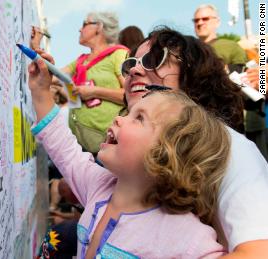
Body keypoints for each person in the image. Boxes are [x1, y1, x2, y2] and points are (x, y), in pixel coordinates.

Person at [29, 56, 229, 259]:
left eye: (139, 118)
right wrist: (40, 92)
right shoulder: (98, 186)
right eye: (128, 113)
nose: (118, 118)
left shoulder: (189, 239)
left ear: (167, 152)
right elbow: (65, 150)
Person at [122, 27, 268, 257]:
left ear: (192, 72)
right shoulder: (129, 149)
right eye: (129, 65)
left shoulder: (229, 149)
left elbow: (258, 253)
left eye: (152, 59)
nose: (134, 70)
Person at [54, 12, 128, 154]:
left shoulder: (118, 54)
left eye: (84, 24)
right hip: (82, 145)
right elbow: (54, 76)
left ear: (98, 27)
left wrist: (94, 91)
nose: (80, 29)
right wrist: (35, 48)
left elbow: (130, 95)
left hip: (107, 145)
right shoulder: (80, 61)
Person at [193, 4, 247, 72]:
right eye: (196, 20)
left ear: (217, 22)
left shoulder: (231, 46)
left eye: (205, 19)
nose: (200, 23)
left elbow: (243, 71)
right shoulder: (188, 49)